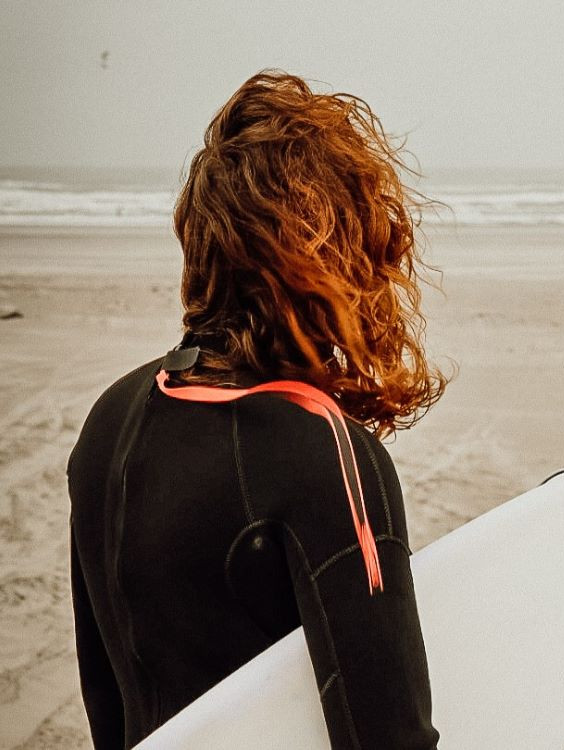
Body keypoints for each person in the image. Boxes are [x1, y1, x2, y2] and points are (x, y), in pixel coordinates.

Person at [66, 70, 447, 749]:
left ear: (203, 237)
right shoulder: (322, 451)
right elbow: (390, 737)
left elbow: (108, 704)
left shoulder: (110, 418)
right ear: (334, 254)